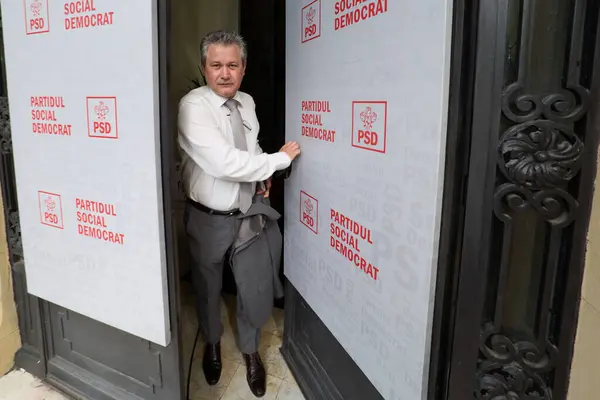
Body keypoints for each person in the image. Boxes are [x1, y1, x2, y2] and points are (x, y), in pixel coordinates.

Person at [177, 30, 300, 397]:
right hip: (207, 217)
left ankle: (250, 353)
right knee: (207, 286)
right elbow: (223, 162)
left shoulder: (246, 102)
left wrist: (261, 177)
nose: (225, 73)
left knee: (252, 288)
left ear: (243, 68)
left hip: (248, 214)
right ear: (204, 67)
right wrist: (279, 161)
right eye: (216, 65)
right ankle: (212, 344)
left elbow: (251, 145)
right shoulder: (192, 107)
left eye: (232, 65)